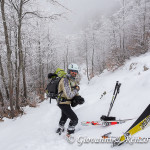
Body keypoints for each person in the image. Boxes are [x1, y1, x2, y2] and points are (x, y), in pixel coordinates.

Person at [56, 63, 80, 135]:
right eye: (72, 71)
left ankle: (60, 128)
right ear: (69, 71)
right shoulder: (65, 80)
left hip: (66, 103)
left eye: (76, 71)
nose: (74, 73)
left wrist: (78, 97)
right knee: (74, 119)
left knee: (64, 116)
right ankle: (70, 131)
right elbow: (69, 95)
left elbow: (73, 90)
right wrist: (77, 89)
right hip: (63, 103)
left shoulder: (72, 80)